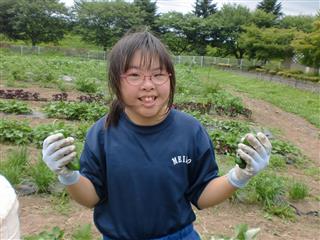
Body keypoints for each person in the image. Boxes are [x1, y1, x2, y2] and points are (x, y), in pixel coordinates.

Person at [42, 31, 272, 240]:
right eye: (134, 75)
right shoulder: (102, 133)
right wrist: (68, 175)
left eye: (158, 75)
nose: (148, 85)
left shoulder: (191, 131)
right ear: (116, 82)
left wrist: (240, 176)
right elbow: (91, 198)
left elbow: (202, 195)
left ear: (170, 79)